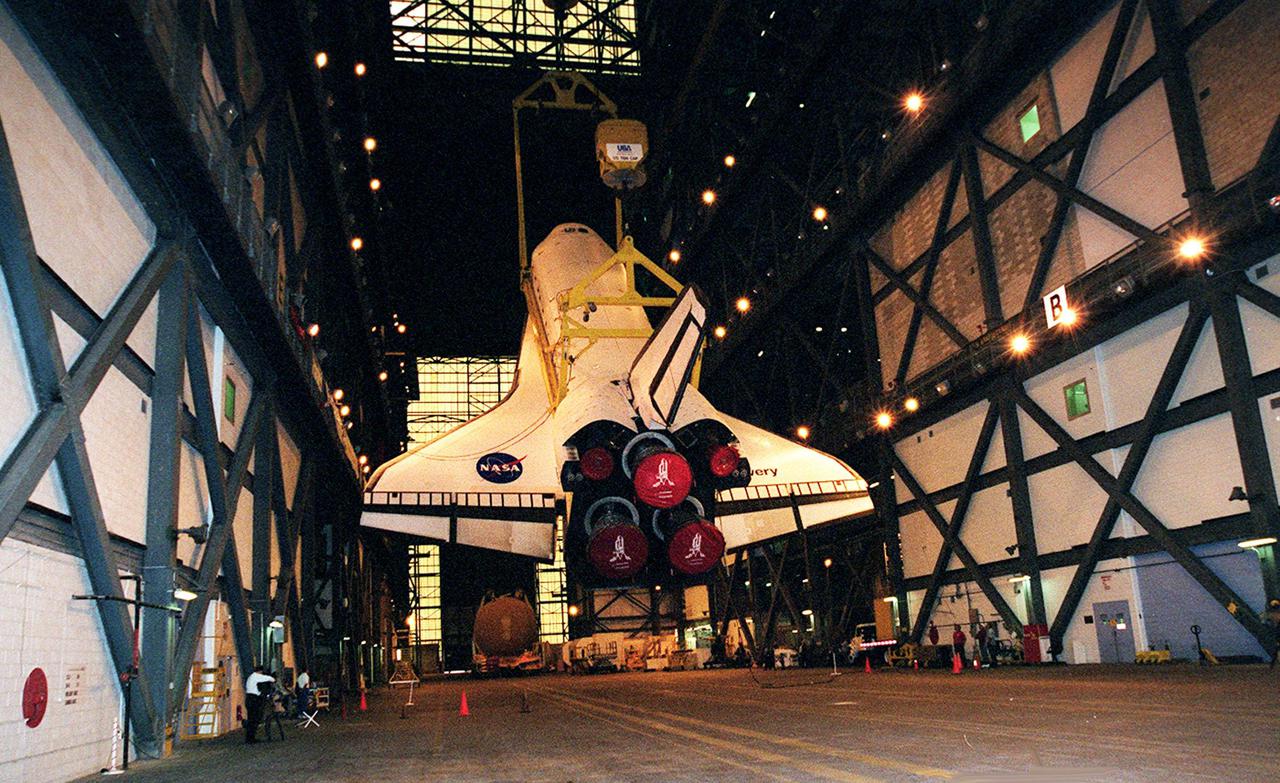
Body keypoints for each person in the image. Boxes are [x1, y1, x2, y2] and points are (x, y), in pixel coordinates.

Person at [243, 665, 275, 744]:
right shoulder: (256, 676)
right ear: (260, 671)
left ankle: (250, 737)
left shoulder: (251, 677)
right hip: (253, 699)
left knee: (251, 719)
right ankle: (251, 738)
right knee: (254, 719)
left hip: (249, 698)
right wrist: (273, 679)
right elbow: (269, 679)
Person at [1265, 599, 1280, 669]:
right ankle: (1272, 664)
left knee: (1276, 649)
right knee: (1276, 649)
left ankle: (1272, 664)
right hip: (1278, 633)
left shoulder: (1272, 614)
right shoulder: (1274, 615)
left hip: (1277, 633)